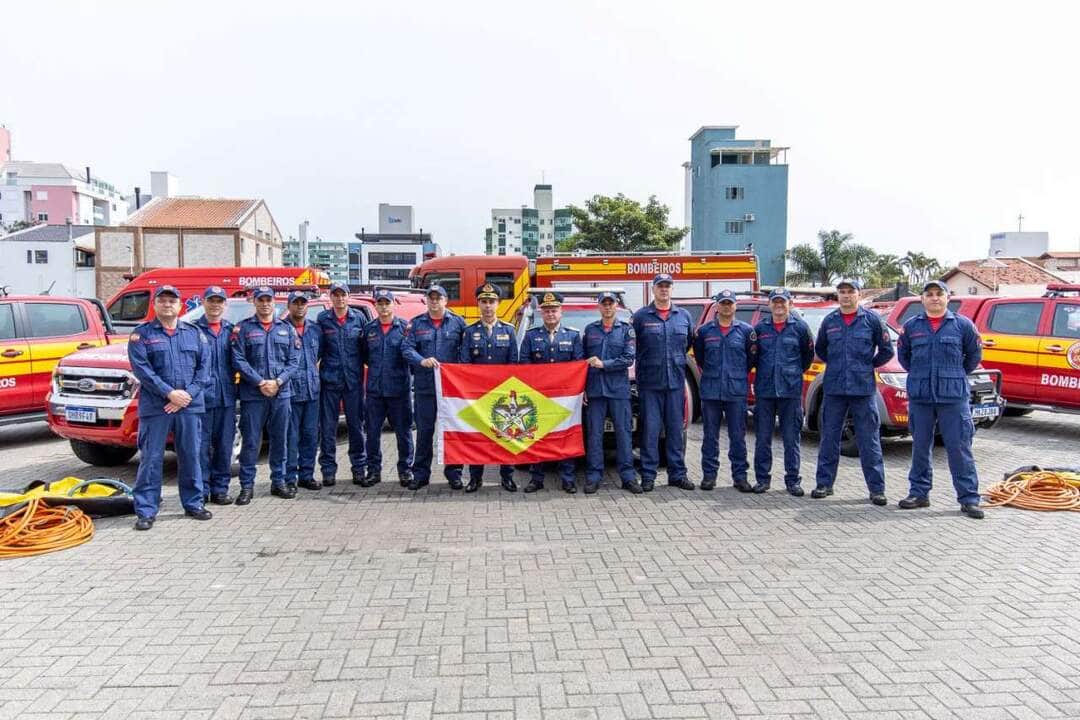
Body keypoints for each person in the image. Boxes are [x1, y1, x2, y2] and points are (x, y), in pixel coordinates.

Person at [897, 280, 985, 519]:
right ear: (922, 299)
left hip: (952, 396)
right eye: (929, 294)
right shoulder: (911, 326)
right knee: (920, 446)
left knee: (959, 447)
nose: (934, 298)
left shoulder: (962, 325)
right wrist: (921, 376)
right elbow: (904, 357)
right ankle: (919, 493)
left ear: (948, 298)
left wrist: (952, 375)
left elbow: (973, 357)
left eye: (939, 294)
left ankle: (969, 499)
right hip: (921, 396)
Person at [128, 285, 211, 530]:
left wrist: (187, 396)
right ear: (154, 305)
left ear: (180, 305)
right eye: (162, 301)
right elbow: (142, 370)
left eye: (171, 301)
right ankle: (146, 510)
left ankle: (194, 503)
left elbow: (204, 370)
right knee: (151, 459)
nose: (167, 305)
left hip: (189, 405)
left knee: (191, 456)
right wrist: (169, 394)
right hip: (157, 408)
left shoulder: (194, 334)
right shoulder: (141, 335)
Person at [812, 279, 895, 505]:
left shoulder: (872, 321)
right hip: (835, 389)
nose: (846, 296)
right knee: (829, 438)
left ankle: (876, 489)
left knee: (869, 440)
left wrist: (866, 366)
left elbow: (886, 351)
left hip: (863, 390)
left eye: (851, 292)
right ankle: (824, 484)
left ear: (859, 295)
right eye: (842, 292)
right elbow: (821, 349)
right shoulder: (829, 321)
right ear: (838, 295)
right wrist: (840, 366)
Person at [231, 286, 300, 503]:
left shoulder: (287, 330)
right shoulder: (242, 329)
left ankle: (278, 482)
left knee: (280, 439)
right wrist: (260, 381)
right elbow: (238, 359)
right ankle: (247, 486)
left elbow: (294, 361)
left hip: (281, 394)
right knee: (251, 442)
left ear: (274, 302)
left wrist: (278, 382)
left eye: (268, 300)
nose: (265, 304)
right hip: (254, 394)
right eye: (260, 300)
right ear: (254, 302)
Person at [632, 273, 694, 492]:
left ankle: (677, 474)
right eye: (660, 286)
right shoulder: (640, 317)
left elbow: (687, 344)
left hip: (675, 383)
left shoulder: (683, 316)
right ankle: (648, 475)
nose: (664, 290)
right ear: (653, 289)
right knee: (650, 430)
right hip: (650, 384)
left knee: (676, 431)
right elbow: (634, 347)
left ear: (672, 289)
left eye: (667, 286)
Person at [401, 285, 467, 491]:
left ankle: (454, 473)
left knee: (452, 431)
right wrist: (421, 361)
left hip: (451, 390)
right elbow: (406, 348)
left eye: (439, 298)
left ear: (446, 301)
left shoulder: (458, 323)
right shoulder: (417, 323)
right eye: (431, 298)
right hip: (425, 388)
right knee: (424, 432)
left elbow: (465, 353)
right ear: (426, 301)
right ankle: (421, 474)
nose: (435, 302)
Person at [751, 288, 815, 496]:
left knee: (791, 438)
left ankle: (792, 481)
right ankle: (762, 479)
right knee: (762, 438)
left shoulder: (800, 328)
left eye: (783, 301)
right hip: (765, 391)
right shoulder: (760, 329)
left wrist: (792, 374)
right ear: (770, 304)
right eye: (775, 301)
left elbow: (806, 358)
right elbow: (753, 358)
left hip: (790, 391)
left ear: (790, 303)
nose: (779, 305)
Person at [692, 289, 756, 491]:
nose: (726, 306)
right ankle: (709, 476)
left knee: (738, 436)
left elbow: (750, 360)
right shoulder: (704, 332)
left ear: (735, 306)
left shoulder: (746, 332)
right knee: (710, 436)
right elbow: (700, 359)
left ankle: (740, 477)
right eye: (723, 303)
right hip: (711, 391)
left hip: (736, 392)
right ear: (717, 306)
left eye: (730, 303)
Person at [520, 292, 584, 493]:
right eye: (546, 311)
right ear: (541, 313)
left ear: (560, 312)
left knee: (565, 436)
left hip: (566, 398)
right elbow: (524, 364)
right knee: (536, 436)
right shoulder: (531, 336)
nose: (550, 314)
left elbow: (578, 365)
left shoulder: (573, 336)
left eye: (554, 310)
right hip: (539, 396)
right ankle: (536, 478)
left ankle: (567, 478)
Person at [459, 283, 520, 493]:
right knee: (477, 438)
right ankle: (476, 478)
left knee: (506, 437)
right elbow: (465, 364)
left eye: (491, 302)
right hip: (478, 396)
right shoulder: (469, 332)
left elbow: (513, 364)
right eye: (483, 302)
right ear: (478, 304)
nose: (487, 306)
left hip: (502, 395)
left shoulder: (509, 331)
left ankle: (507, 477)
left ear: (498, 304)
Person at [582, 291, 640, 494]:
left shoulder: (626, 330)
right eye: (604, 304)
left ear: (616, 306)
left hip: (618, 390)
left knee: (624, 434)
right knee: (594, 435)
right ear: (599, 307)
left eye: (611, 303)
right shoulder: (590, 330)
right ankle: (594, 476)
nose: (607, 307)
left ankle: (628, 477)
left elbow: (628, 359)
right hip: (596, 391)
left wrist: (603, 364)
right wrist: (582, 388)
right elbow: (583, 363)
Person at [359, 288, 414, 488]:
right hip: (375, 391)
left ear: (393, 305)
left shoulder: (405, 329)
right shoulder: (369, 329)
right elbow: (364, 355)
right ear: (375, 305)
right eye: (380, 303)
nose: (383, 307)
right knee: (372, 432)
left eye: (386, 303)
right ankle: (373, 471)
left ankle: (405, 471)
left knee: (403, 433)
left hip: (399, 390)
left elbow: (410, 355)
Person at [316, 282, 366, 486]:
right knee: (328, 429)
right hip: (330, 381)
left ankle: (358, 469)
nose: (339, 299)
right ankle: (328, 470)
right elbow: (317, 350)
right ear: (330, 297)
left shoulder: (358, 318)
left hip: (353, 381)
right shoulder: (323, 320)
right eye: (335, 295)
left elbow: (365, 348)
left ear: (347, 296)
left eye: (342, 295)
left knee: (356, 427)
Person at [192, 286, 238, 505]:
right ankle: (200, 491)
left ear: (225, 305)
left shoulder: (231, 331)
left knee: (224, 446)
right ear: (204, 302)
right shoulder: (192, 331)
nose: (215, 305)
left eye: (220, 301)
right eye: (211, 300)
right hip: (201, 399)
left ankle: (220, 490)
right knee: (200, 448)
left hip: (226, 397)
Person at [284, 291, 322, 492]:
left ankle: (307, 475)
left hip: (312, 391)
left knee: (310, 435)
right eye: (295, 303)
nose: (300, 307)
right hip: (290, 392)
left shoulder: (315, 330)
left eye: (303, 303)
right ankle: (290, 477)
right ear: (289, 306)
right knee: (291, 437)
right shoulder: (281, 329)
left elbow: (320, 354)